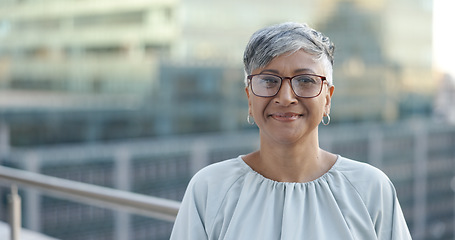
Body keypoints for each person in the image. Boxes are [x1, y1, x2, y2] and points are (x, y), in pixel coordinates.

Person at [170, 22, 411, 240]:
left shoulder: (371, 188)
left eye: (305, 80)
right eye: (269, 81)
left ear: (327, 98)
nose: (285, 98)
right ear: (249, 99)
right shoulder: (210, 188)